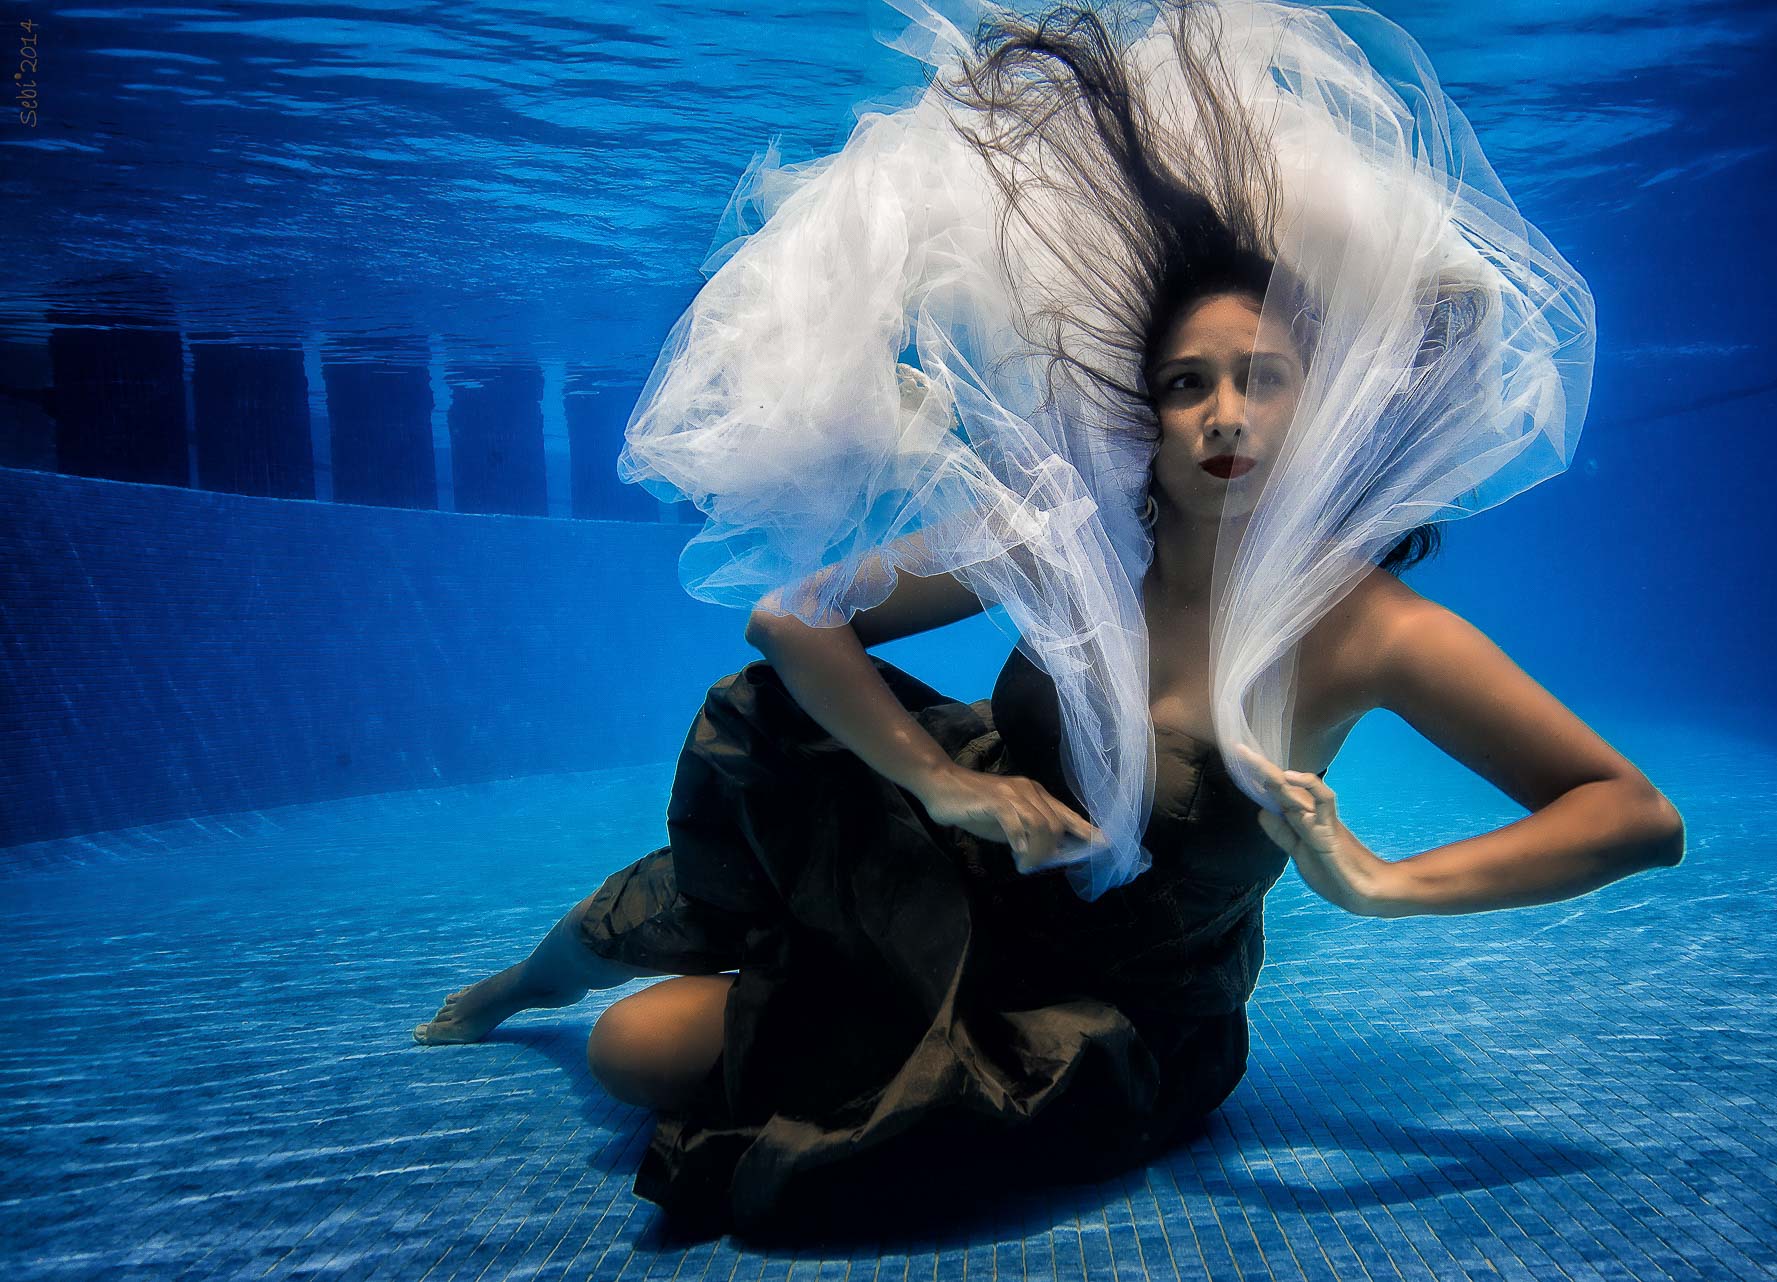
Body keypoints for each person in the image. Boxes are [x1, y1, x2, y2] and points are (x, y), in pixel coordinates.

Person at [415, 0, 1685, 1240]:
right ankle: (519, 985)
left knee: (638, 1051)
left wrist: (1378, 886)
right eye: (1188, 385)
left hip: (1113, 1007)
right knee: (676, 908)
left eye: (1264, 381)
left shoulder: (1366, 629)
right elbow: (793, 620)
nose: (1225, 418)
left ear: (1323, 408)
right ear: (1148, 410)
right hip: (957, 874)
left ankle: (639, 997)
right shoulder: (1065, 529)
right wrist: (945, 785)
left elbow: (1635, 816)